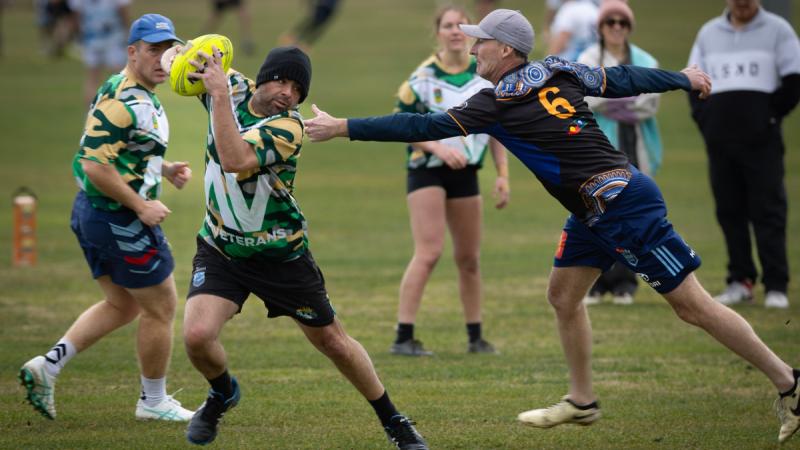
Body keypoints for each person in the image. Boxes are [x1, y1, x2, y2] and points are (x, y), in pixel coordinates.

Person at [304, 8, 800, 444]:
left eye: (481, 42)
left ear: (505, 49)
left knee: (693, 307)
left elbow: (422, 127)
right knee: (563, 296)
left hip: (622, 203)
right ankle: (582, 401)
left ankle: (789, 383)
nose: (474, 48)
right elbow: (621, 77)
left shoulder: (494, 103)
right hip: (592, 209)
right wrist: (682, 77)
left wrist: (342, 127)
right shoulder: (556, 69)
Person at [179, 45, 427, 450]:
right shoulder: (230, 86)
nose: (288, 93)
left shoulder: (287, 128)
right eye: (282, 80)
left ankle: (394, 420)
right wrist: (177, 56)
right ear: (263, 77)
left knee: (334, 343)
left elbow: (234, 157)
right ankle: (222, 393)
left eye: (297, 89)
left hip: (282, 255)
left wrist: (217, 93)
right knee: (196, 335)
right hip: (222, 247)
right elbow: (181, 58)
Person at [18, 13, 194, 422]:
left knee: (122, 304)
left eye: (169, 49)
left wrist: (160, 168)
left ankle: (47, 367)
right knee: (161, 307)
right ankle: (153, 402)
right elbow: (94, 164)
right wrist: (141, 205)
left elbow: (116, 150)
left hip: (95, 214)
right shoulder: (124, 101)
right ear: (131, 52)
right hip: (117, 217)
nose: (163, 58)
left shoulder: (128, 88)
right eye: (153, 50)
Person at [389, 5, 509, 356]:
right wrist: (440, 151)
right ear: (437, 32)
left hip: (467, 171)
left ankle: (476, 337)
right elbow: (402, 127)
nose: (455, 31)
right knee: (429, 251)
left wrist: (502, 175)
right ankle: (403, 336)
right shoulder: (421, 79)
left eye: (462, 25)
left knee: (469, 258)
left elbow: (498, 129)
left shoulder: (486, 76)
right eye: (448, 25)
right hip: (427, 169)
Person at [688, 0, 800, 309]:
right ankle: (740, 280)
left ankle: (776, 285)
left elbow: (793, 82)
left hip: (762, 143)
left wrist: (769, 117)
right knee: (730, 211)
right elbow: (693, 81)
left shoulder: (779, 30)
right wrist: (707, 122)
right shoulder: (709, 33)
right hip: (721, 142)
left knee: (768, 212)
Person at [577, 0, 663, 305]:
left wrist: (610, 101)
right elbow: (583, 97)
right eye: (610, 22)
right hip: (599, 147)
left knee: (632, 214)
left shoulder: (644, 59)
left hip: (633, 142)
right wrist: (624, 99)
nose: (616, 27)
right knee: (597, 213)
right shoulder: (588, 58)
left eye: (622, 22)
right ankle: (598, 283)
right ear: (600, 27)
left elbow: (650, 100)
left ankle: (626, 282)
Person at [67, 0, 131, 105]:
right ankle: (120, 109)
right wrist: (127, 32)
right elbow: (123, 10)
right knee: (119, 75)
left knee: (93, 77)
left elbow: (76, 15)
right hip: (113, 37)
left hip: (91, 38)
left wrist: (78, 36)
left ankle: (91, 114)